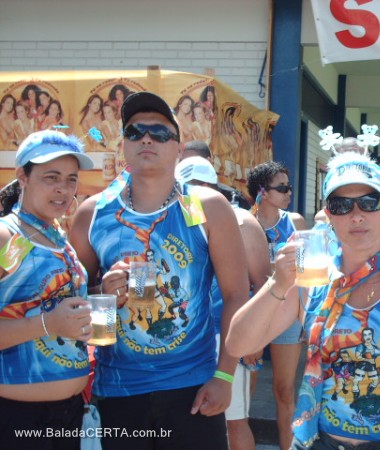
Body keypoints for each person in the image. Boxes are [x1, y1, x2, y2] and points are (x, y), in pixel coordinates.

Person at [69, 91, 249, 450]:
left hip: (193, 387)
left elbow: (236, 295)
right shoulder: (92, 213)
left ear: (178, 150)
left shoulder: (208, 207)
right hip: (120, 388)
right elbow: (71, 305)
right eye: (135, 132)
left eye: (160, 132)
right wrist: (103, 294)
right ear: (123, 145)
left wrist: (225, 375)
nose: (147, 139)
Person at [227, 150, 380, 450]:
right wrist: (277, 284)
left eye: (370, 202)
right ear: (328, 215)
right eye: (341, 205)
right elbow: (238, 345)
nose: (356, 215)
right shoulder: (312, 282)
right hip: (321, 441)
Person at [0, 130, 94, 450]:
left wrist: (100, 293)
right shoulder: (6, 236)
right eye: (50, 177)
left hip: (67, 415)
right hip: (17, 418)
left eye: (70, 179)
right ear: (22, 176)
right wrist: (48, 324)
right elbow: (48, 318)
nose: (62, 189)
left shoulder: (56, 236)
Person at [175, 155, 270, 450]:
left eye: (201, 187)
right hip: (180, 342)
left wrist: (256, 338)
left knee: (234, 420)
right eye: (187, 188)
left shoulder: (240, 220)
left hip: (226, 337)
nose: (194, 194)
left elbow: (264, 284)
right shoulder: (166, 219)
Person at [246, 161, 308, 450]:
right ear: (262, 192)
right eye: (281, 187)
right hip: (255, 313)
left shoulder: (294, 221)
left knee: (285, 391)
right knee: (247, 392)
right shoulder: (243, 223)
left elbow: (306, 274)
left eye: (289, 186)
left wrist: (306, 317)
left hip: (287, 314)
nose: (288, 192)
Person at [183, 140, 251, 209]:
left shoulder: (232, 197)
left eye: (192, 162)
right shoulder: (182, 196)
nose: (186, 168)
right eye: (183, 163)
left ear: (208, 161)